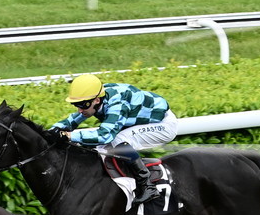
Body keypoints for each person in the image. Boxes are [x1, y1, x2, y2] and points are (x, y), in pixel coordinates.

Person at [48, 74, 179, 204]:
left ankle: (148, 186)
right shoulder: (95, 98)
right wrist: (52, 131)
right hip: (142, 121)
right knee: (100, 148)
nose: (80, 110)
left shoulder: (117, 103)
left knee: (119, 140)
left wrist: (69, 136)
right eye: (76, 105)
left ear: (97, 100)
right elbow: (74, 119)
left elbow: (104, 135)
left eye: (83, 105)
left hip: (163, 125)